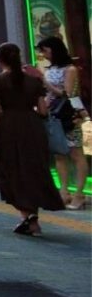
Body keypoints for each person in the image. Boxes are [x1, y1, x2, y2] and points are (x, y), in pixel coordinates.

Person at [0, 43, 66, 236]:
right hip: (32, 127)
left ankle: (28, 217)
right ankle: (31, 219)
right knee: (33, 170)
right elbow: (43, 110)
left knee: (10, 170)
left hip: (9, 127)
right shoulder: (33, 81)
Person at [35, 37, 88, 210]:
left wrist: (43, 81)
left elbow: (65, 93)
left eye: (45, 50)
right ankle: (64, 191)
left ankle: (79, 193)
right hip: (53, 115)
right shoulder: (51, 69)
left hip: (67, 115)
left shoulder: (70, 69)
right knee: (59, 154)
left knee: (75, 153)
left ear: (54, 50)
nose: (43, 54)